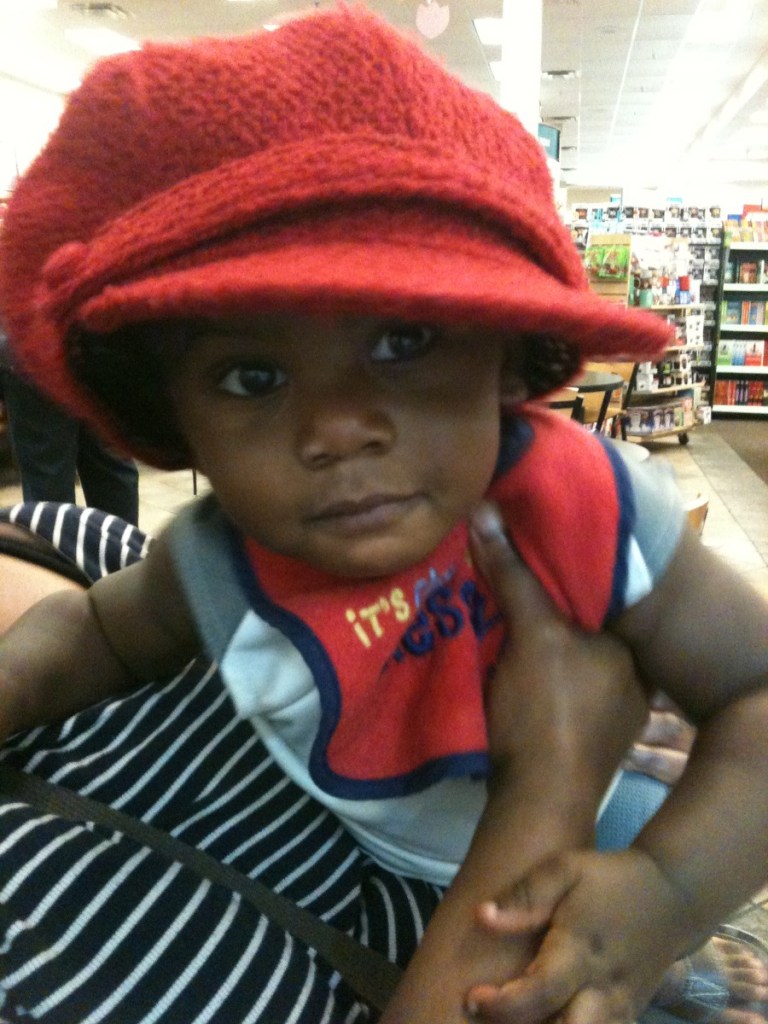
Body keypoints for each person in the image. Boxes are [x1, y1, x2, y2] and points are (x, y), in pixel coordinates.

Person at [0, 9, 766, 1023]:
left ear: (507, 359)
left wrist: (668, 893)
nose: (338, 428)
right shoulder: (217, 561)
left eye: (404, 341)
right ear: (171, 418)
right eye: (252, 375)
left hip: (594, 828)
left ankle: (688, 967)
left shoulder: (581, 507)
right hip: (372, 855)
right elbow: (95, 630)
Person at [0, 335, 140, 524]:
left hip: (34, 349)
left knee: (49, 484)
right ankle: (120, 542)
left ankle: (58, 543)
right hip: (96, 341)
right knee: (112, 468)